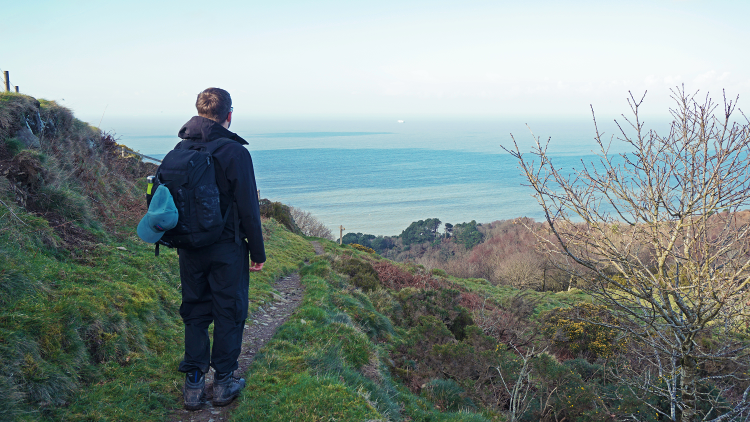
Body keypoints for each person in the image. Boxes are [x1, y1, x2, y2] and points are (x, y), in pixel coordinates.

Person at [176, 88, 266, 410]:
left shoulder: (181, 147)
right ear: (229, 115)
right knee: (229, 311)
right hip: (226, 248)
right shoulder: (235, 153)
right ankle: (224, 383)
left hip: (188, 247)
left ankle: (194, 386)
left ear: (199, 113)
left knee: (195, 311)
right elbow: (248, 210)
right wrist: (258, 252)